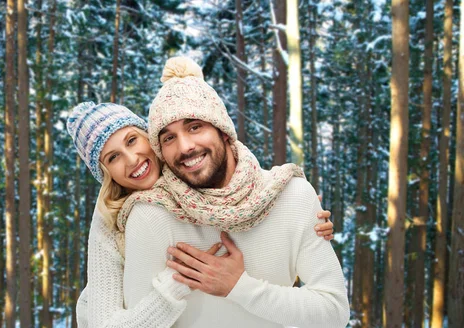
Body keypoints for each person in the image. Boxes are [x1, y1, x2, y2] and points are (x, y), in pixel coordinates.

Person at [116, 56, 350, 327]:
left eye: (195, 126)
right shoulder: (151, 214)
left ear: (224, 132)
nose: (185, 147)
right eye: (169, 138)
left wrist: (239, 287)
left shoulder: (292, 195)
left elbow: (334, 311)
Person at [66, 102, 335, 326]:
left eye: (132, 140)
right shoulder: (111, 219)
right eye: (113, 158)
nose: (132, 159)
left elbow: (246, 184)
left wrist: (298, 208)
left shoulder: (194, 171)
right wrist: (179, 282)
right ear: (106, 175)